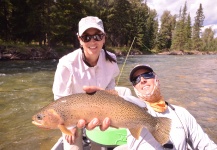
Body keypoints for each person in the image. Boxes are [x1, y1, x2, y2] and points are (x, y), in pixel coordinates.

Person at [78, 64, 217, 150]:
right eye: (136, 80)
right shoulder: (134, 107)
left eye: (147, 75)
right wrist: (108, 97)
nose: (142, 80)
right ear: (134, 87)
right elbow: (123, 100)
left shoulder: (182, 113)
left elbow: (205, 145)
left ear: (157, 79)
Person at [52, 16, 119, 150]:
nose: (92, 41)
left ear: (104, 38)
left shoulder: (112, 60)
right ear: (80, 40)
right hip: (71, 114)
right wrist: (69, 127)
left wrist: (111, 97)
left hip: (98, 111)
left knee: (98, 146)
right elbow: (59, 99)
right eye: (86, 37)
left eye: (97, 36)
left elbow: (111, 82)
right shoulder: (66, 64)